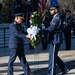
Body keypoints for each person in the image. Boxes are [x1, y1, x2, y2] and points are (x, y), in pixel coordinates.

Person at [46, 0, 70, 75]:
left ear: (56, 9)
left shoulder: (57, 18)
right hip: (53, 39)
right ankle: (64, 68)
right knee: (53, 56)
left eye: (52, 9)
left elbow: (51, 28)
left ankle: (51, 73)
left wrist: (44, 30)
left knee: (52, 58)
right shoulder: (55, 17)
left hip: (55, 39)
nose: (50, 11)